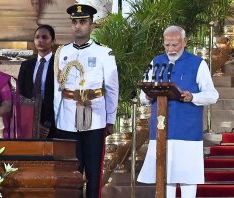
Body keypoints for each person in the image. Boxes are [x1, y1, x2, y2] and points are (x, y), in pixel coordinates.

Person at [137, 26, 219, 198]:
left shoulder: (198, 64)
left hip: (187, 131)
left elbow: (212, 95)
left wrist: (193, 97)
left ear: (184, 42)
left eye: (175, 45)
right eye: (167, 45)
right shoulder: (156, 62)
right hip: (161, 131)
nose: (170, 49)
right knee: (165, 176)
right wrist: (149, 96)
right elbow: (143, 96)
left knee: (188, 177)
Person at [53, 4, 119, 198]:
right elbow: (58, 89)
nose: (78, 26)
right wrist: (57, 119)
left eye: (83, 22)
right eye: (75, 22)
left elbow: (112, 89)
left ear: (91, 25)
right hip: (67, 118)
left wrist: (110, 119)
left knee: (93, 170)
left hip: (94, 117)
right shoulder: (62, 52)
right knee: (70, 170)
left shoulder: (104, 53)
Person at [18, 25, 56, 139]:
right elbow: (21, 94)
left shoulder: (59, 65)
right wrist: (30, 122)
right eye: (37, 37)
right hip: (29, 118)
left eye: (44, 37)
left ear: (52, 41)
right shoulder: (26, 65)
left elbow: (60, 96)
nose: (40, 40)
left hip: (51, 122)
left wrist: (48, 124)